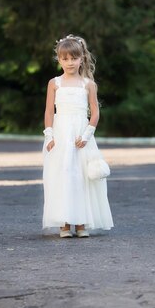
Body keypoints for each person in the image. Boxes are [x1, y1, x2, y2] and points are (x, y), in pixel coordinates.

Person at [42, 34, 113, 238]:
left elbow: (95, 111)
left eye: (74, 58)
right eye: (65, 59)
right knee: (63, 176)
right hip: (61, 134)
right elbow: (48, 112)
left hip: (81, 136)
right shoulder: (54, 83)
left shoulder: (88, 84)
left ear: (82, 58)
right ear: (59, 60)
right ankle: (65, 223)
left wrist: (87, 134)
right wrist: (49, 135)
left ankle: (81, 223)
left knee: (82, 177)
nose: (69, 62)